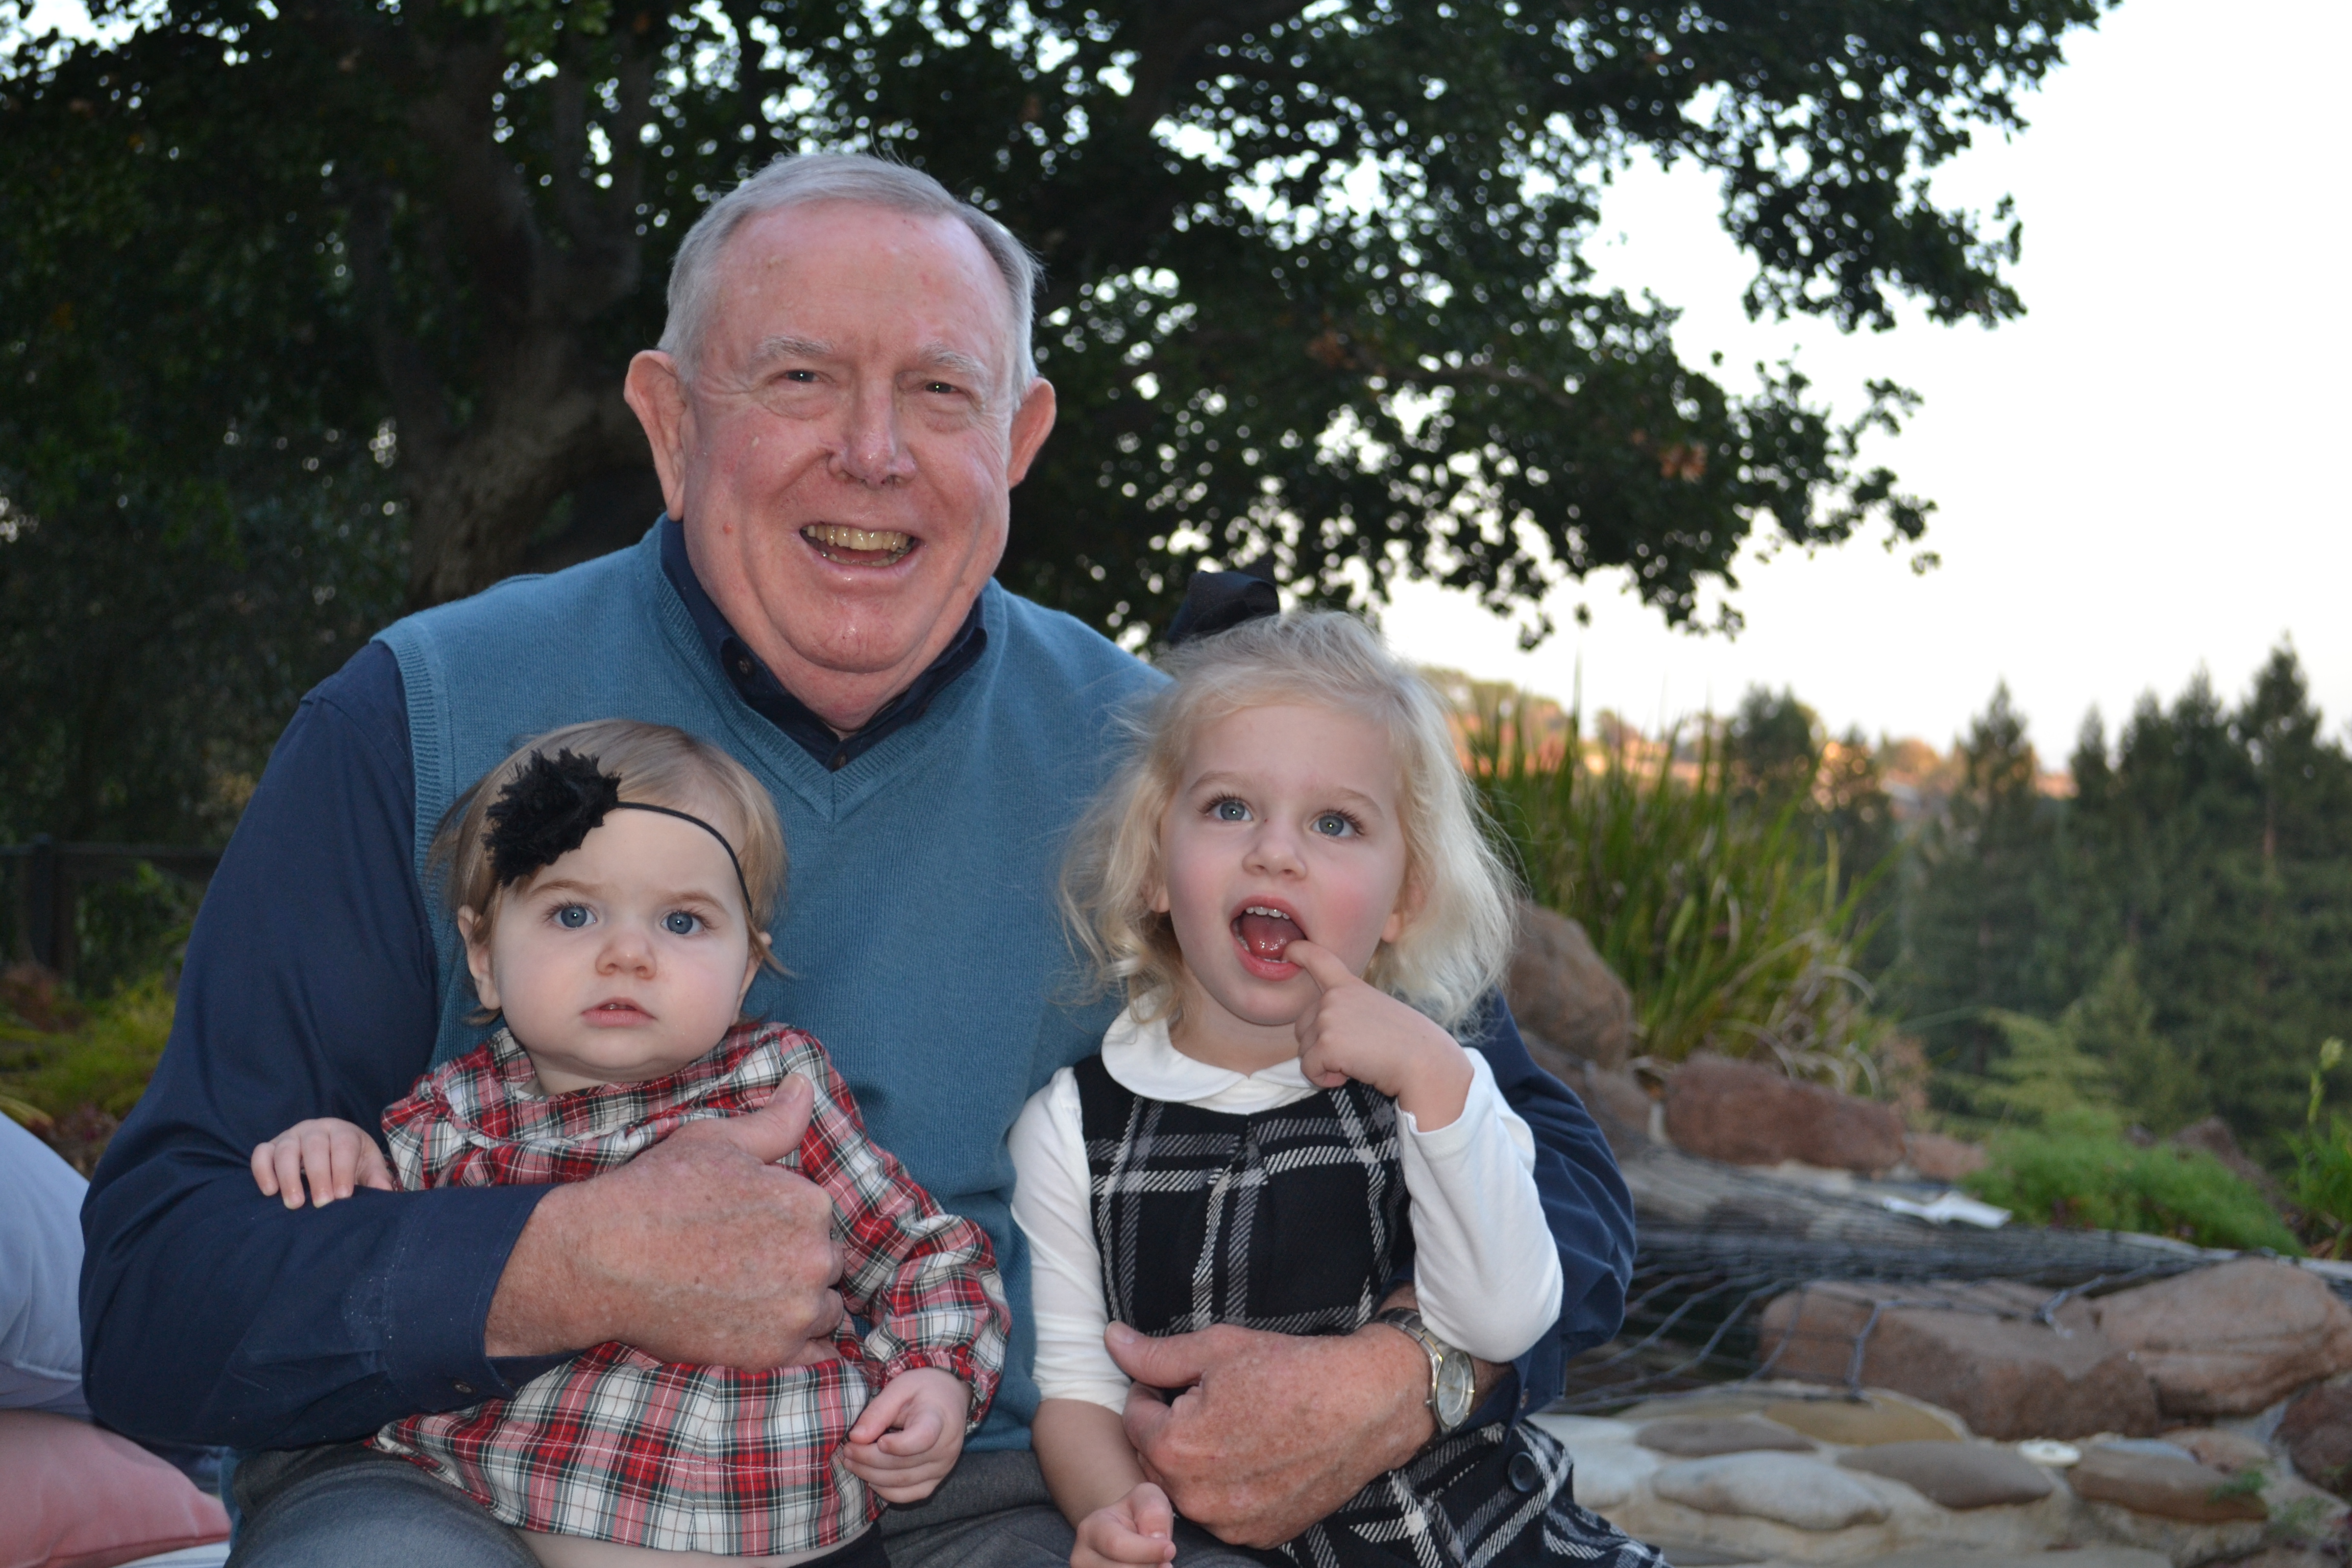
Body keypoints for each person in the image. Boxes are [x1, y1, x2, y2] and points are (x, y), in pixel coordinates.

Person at [79, 153, 1638, 1567]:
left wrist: (1417, 1373)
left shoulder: (1188, 777)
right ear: (671, 425)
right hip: (461, 1474)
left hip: (999, 1488)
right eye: (802, 377)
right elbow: (159, 1295)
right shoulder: (415, 716)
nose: (873, 453)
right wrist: (565, 1264)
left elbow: (1551, 1176)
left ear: (1018, 440)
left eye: (942, 393)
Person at [248, 720, 1007, 1566]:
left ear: (745, 970)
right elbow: (373, 1271)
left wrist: (938, 1377)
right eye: (573, 913)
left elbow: (925, 1254)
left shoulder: (781, 1089)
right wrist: (337, 1151)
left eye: (683, 921)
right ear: (484, 954)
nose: (628, 954)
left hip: (806, 1541)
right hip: (519, 1530)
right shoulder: (450, 1120)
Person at [1016, 611, 1658, 1568]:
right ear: (1153, 864)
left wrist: (1438, 1082)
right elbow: (1076, 1390)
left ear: (1406, 898)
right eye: (1230, 808)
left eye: (1335, 823)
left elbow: (1506, 1320)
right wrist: (1119, 1519)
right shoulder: (1071, 1124)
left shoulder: (1439, 1083)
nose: (1277, 852)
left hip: (1490, 1538)